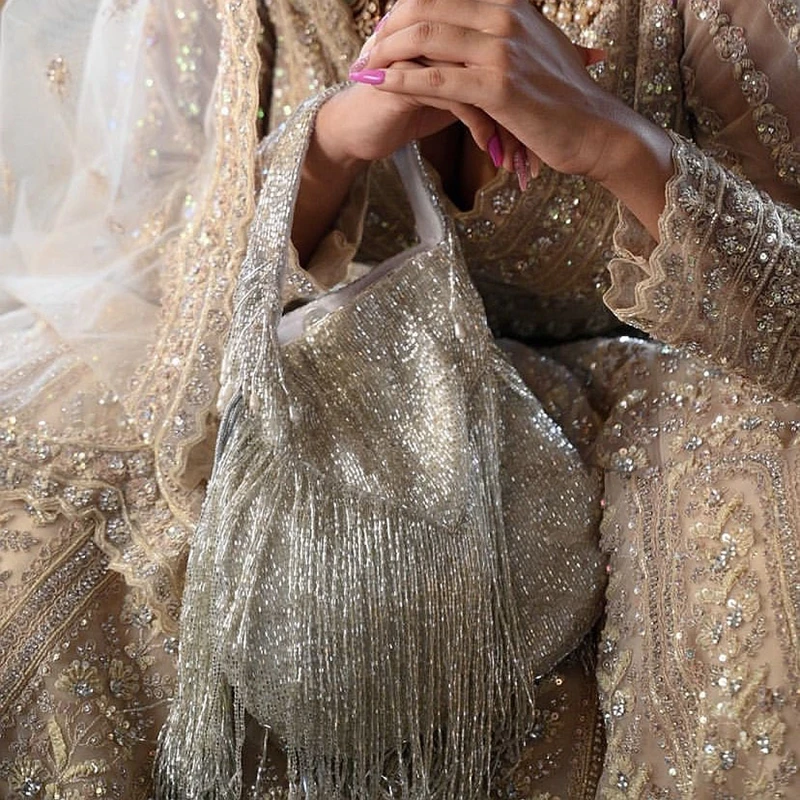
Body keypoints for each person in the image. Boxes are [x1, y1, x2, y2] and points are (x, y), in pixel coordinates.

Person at [0, 0, 798, 798]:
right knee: (37, 519)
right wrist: (329, 146)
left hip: (663, 381)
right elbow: (144, 259)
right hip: (337, 365)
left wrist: (612, 141)